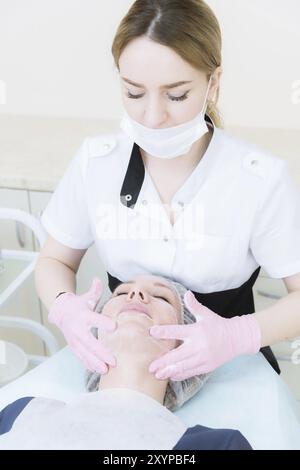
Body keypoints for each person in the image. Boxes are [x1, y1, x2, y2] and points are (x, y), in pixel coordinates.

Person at [35, 0, 300, 383]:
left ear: (214, 83)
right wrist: (64, 307)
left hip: (232, 370)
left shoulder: (259, 179)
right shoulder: (97, 162)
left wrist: (237, 335)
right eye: (134, 93)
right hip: (121, 367)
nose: (153, 116)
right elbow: (54, 261)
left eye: (176, 95)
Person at [0, 275, 252, 450]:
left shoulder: (216, 446)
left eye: (163, 298)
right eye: (120, 292)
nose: (135, 293)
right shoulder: (22, 411)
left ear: (186, 348)